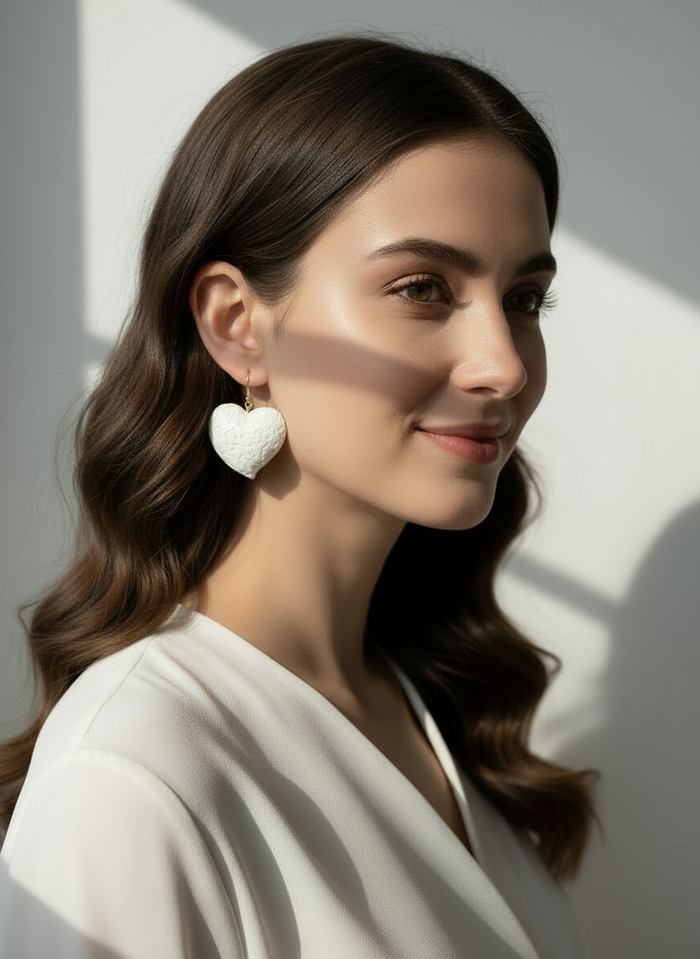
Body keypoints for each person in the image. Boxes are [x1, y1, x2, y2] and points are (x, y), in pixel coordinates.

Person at [0, 34, 596, 959]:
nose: (505, 365)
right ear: (239, 326)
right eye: (422, 288)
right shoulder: (133, 771)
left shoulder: (430, 706)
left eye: (525, 298)